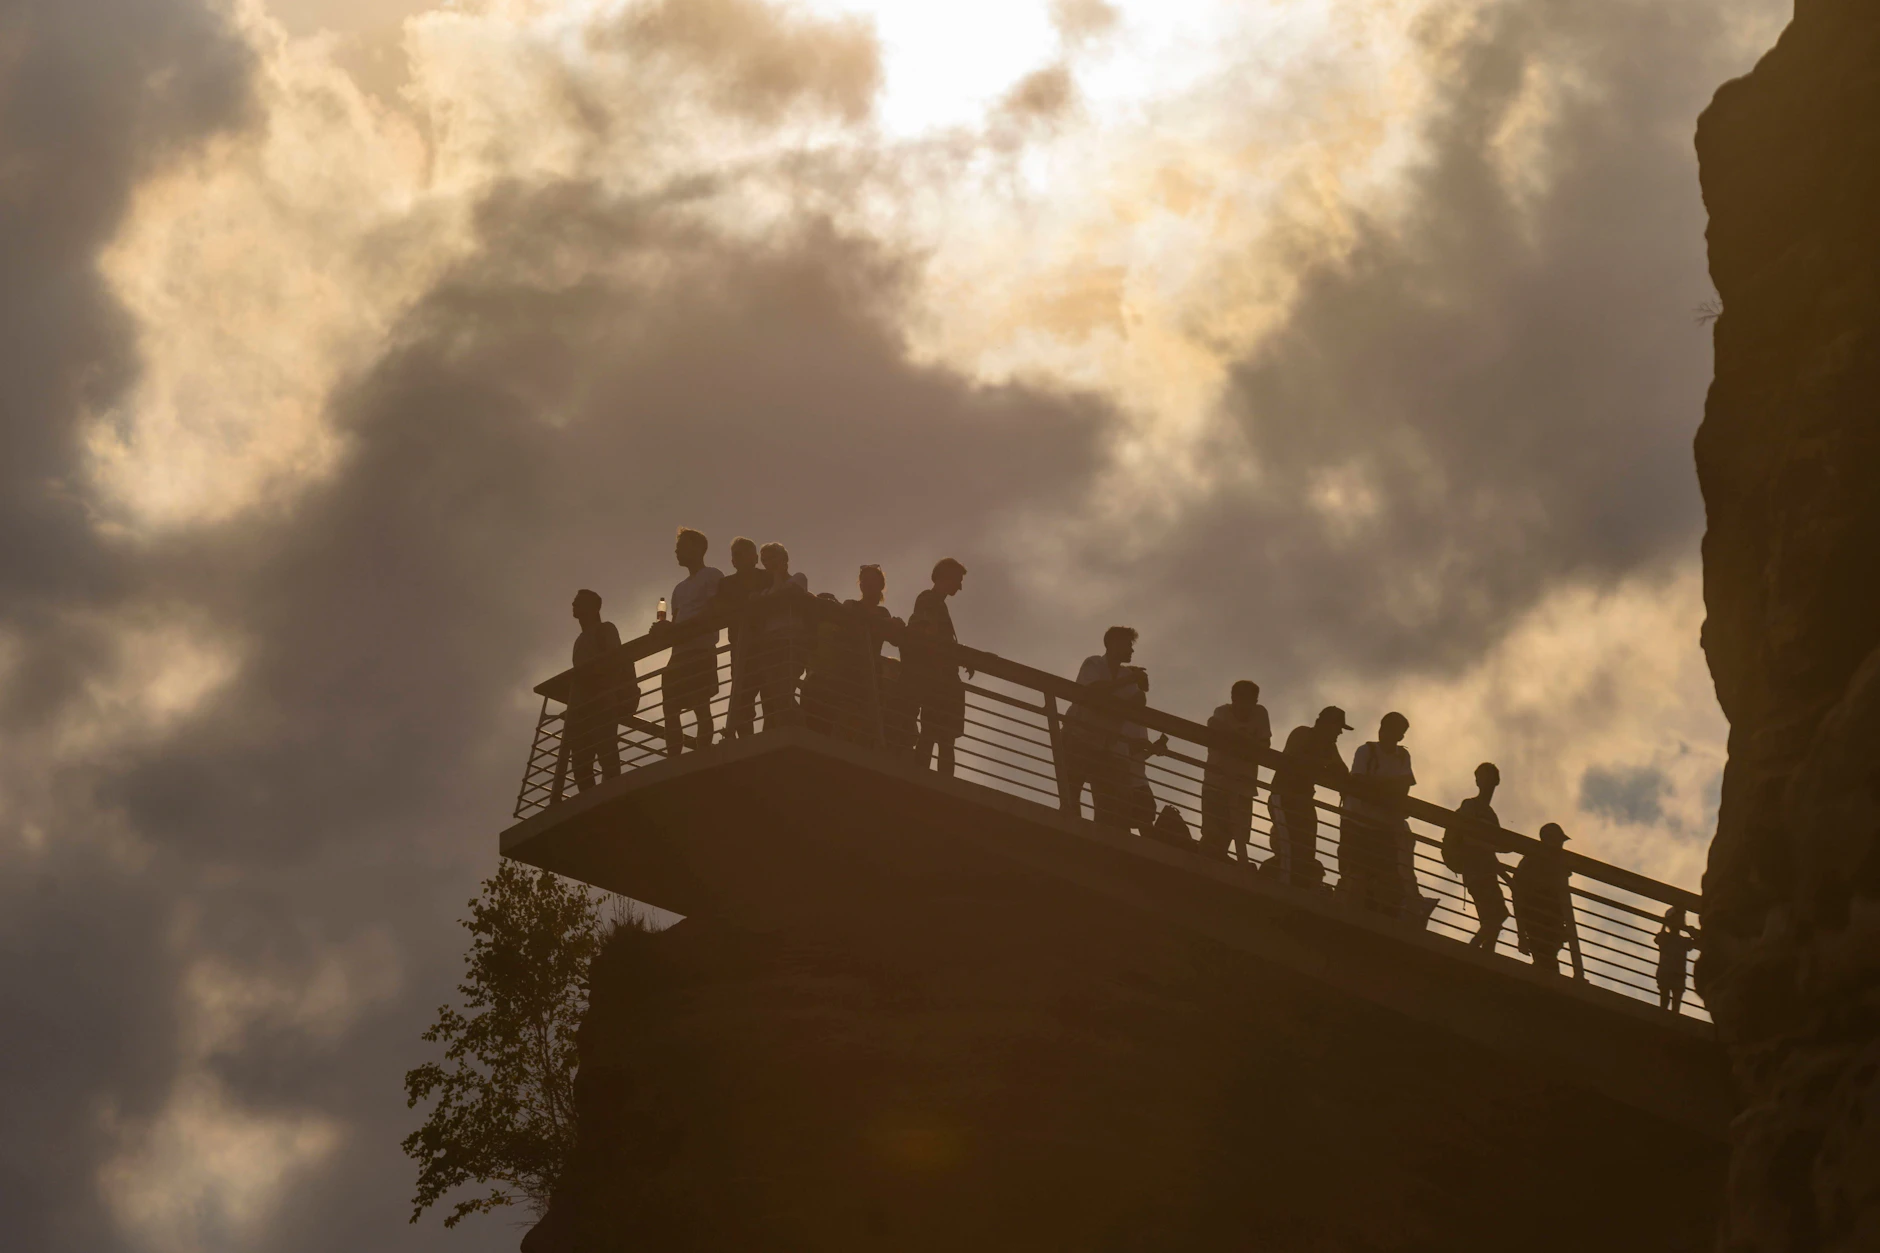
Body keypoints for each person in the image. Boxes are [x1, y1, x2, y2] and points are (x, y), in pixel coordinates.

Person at [1062, 626, 1148, 827]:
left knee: (1109, 801)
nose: (1132, 650)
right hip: (1077, 737)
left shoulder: (1126, 675)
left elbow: (1138, 700)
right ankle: (1072, 830)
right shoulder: (1094, 663)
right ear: (1113, 643)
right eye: (1128, 644)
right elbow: (1092, 690)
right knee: (1072, 792)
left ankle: (1095, 836)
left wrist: (1138, 685)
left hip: (1104, 746)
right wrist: (1130, 680)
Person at [1341, 712, 1419, 919]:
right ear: (1383, 730)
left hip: (1383, 826)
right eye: (1395, 731)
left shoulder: (1402, 756)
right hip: (1357, 821)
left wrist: (1378, 786)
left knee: (1384, 878)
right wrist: (1389, 788)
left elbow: (1403, 787)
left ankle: (1375, 917)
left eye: (1400, 733)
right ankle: (1348, 916)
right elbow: (1359, 781)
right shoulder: (1366, 751)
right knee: (1355, 873)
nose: (1398, 736)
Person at [1266, 706, 1352, 887]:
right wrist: (1325, 764)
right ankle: (1285, 888)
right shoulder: (1302, 733)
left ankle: (1302, 886)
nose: (1339, 732)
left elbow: (1342, 771)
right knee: (1288, 846)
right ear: (1327, 724)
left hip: (1304, 800)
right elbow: (1294, 758)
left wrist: (1329, 766)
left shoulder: (1329, 747)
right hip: (1284, 796)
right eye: (1338, 727)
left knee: (1307, 846)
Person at [660, 528, 723, 756]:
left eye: (682, 546)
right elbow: (676, 620)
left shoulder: (712, 575)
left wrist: (683, 628)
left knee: (700, 705)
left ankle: (702, 753)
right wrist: (665, 629)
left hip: (701, 650)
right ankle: (673, 758)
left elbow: (714, 608)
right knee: (670, 708)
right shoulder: (679, 588)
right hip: (678, 654)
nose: (677, 551)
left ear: (697, 548)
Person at [907, 558, 968, 775]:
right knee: (937, 736)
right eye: (958, 580)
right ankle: (924, 778)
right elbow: (927, 635)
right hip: (938, 682)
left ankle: (925, 777)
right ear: (946, 576)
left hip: (942, 681)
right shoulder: (928, 599)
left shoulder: (935, 603)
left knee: (940, 737)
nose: (960, 587)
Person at [565, 589, 628, 793]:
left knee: (606, 750)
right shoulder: (579, 640)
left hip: (602, 701)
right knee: (580, 760)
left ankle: (613, 793)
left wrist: (604, 687)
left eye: (578, 602)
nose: (574, 605)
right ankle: (589, 796)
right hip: (582, 707)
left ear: (593, 607)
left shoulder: (605, 629)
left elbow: (615, 662)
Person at [1201, 681, 1270, 862]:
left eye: (1251, 701)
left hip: (1244, 786)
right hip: (1216, 783)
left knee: (1236, 835)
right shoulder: (1222, 712)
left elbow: (1265, 746)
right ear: (1233, 699)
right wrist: (1245, 739)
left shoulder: (1260, 713)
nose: (1247, 706)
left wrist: (1237, 738)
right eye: (1244, 700)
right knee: (1212, 834)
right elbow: (1214, 724)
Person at [1444, 763, 1509, 950]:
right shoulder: (1470, 805)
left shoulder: (1491, 815)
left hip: (1487, 872)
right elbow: (1470, 839)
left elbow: (1491, 849)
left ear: (1496, 781)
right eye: (1482, 777)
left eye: (1489, 777)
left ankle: (1485, 952)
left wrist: (1506, 877)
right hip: (1475, 871)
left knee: (1496, 918)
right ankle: (1472, 952)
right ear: (1477, 781)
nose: (1486, 781)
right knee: (1495, 918)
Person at [839, 564, 904, 744]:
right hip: (851, 668)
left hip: (873, 670)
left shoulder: (883, 613)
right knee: (849, 710)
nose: (867, 584)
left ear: (881, 585)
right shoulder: (851, 605)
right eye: (864, 580)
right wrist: (886, 623)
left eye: (872, 580)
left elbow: (894, 639)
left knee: (872, 712)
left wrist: (897, 625)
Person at [713, 537, 770, 740]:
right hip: (740, 647)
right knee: (742, 697)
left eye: (741, 553)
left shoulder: (768, 577)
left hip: (768, 645)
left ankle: (768, 741)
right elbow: (718, 609)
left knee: (771, 694)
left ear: (755, 558)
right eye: (735, 555)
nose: (736, 558)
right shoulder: (726, 584)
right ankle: (747, 740)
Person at [755, 542, 810, 727]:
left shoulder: (798, 578)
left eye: (772, 558)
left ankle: (802, 726)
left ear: (784, 559)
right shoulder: (766, 591)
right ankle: (788, 727)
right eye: (765, 560)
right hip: (770, 646)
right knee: (773, 694)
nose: (768, 563)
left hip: (792, 643)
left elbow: (784, 596)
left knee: (783, 691)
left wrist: (777, 575)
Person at [1513, 822, 1574, 975]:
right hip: (1537, 920)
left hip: (1552, 922)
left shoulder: (1557, 862)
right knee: (1546, 963)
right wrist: (1521, 934)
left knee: (1547, 962)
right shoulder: (1532, 861)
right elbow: (1518, 896)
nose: (1561, 845)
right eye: (1558, 840)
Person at [1655, 906, 1699, 1012]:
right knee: (1665, 1002)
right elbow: (1659, 939)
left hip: (1677, 973)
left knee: (1674, 1004)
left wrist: (1690, 931)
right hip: (1668, 972)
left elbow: (1700, 942)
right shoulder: (1666, 936)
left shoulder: (1683, 941)